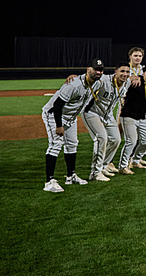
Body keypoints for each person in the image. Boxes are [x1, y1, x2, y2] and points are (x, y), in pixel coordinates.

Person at [41, 58, 104, 192]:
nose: (98, 72)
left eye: (100, 70)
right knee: (55, 145)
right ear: (88, 69)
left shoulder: (97, 84)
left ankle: (71, 176)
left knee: (72, 144)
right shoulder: (74, 84)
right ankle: (49, 181)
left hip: (71, 117)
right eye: (95, 69)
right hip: (54, 114)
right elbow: (57, 105)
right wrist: (59, 126)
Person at [80, 61, 131, 182]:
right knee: (101, 138)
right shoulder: (104, 80)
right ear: (116, 72)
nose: (125, 74)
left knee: (116, 140)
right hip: (92, 113)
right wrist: (75, 77)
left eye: (127, 72)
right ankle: (95, 172)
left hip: (107, 115)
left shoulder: (127, 82)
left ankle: (103, 165)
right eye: (122, 71)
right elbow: (87, 78)